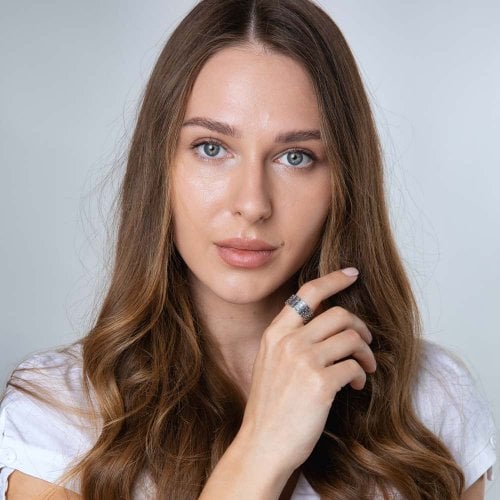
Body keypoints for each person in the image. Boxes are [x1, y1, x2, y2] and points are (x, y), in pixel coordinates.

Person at [0, 0, 496, 498]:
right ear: (160, 168)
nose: (253, 204)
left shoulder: (430, 398)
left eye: (295, 156)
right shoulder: (60, 412)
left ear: (343, 180)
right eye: (212, 148)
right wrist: (262, 448)